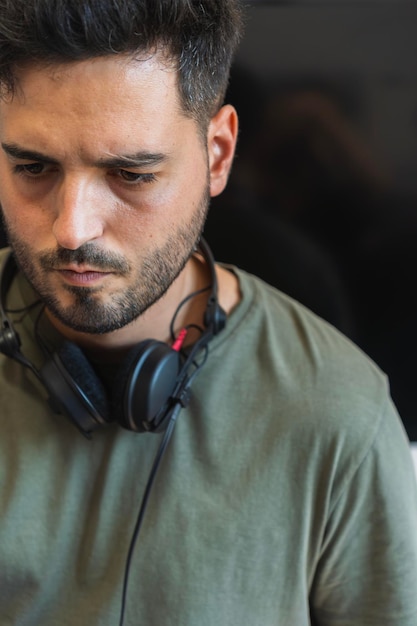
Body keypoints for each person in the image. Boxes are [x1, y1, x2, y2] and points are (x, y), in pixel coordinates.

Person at [0, 1, 416, 625]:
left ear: (218, 154)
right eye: (32, 167)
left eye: (131, 174)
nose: (72, 228)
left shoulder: (339, 416)